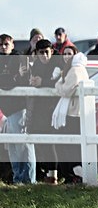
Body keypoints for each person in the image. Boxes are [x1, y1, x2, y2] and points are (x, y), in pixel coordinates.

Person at [0, 34, 35, 183]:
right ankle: (18, 178)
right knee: (13, 146)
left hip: (19, 108)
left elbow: (16, 81)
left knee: (23, 146)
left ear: (13, 45)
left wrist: (8, 79)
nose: (3, 47)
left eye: (6, 44)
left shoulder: (20, 58)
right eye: (0, 45)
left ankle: (28, 179)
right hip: (6, 110)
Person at [52, 44, 89, 184]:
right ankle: (73, 175)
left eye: (69, 53)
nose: (66, 56)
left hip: (73, 114)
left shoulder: (75, 70)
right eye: (64, 54)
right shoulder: (74, 68)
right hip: (73, 113)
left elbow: (65, 90)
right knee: (71, 146)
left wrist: (57, 85)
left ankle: (75, 176)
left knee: (70, 147)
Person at [27, 39, 60, 183]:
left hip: (55, 109)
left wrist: (43, 82)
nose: (44, 55)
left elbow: (58, 82)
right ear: (37, 53)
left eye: (47, 52)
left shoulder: (58, 62)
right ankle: (47, 173)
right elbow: (33, 82)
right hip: (39, 109)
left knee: (52, 143)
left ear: (52, 51)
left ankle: (54, 175)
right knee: (40, 142)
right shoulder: (36, 65)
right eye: (41, 53)